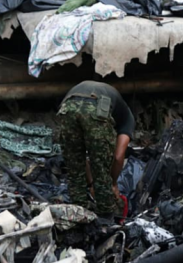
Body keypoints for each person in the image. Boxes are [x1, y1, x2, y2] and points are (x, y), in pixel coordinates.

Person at [56, 81, 134, 222]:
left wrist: (91, 184)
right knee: (101, 169)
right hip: (95, 107)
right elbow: (117, 157)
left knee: (74, 167)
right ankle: (106, 220)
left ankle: (77, 216)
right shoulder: (127, 119)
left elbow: (80, 157)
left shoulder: (115, 103)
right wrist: (113, 184)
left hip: (67, 107)